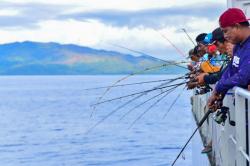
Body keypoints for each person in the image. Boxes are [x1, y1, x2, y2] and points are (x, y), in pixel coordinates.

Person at [208, 8, 250, 109]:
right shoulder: (238, 47)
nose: (225, 36)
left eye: (226, 31)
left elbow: (242, 78)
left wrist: (220, 86)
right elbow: (231, 70)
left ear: (237, 26)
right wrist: (218, 91)